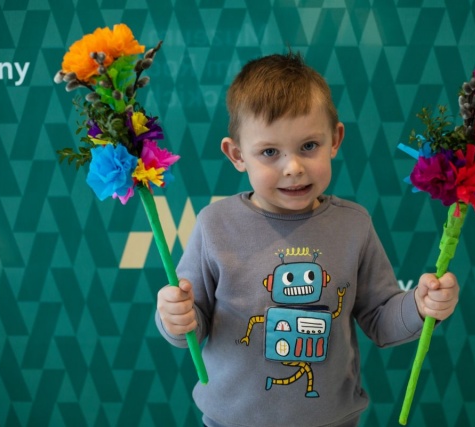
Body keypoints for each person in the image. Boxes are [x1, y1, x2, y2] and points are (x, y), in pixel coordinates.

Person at [155, 51, 459, 427]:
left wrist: (420, 306)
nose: (294, 167)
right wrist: (174, 317)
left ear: (335, 139)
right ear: (237, 154)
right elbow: (191, 322)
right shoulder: (214, 225)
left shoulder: (353, 225)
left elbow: (381, 319)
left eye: (309, 146)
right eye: (270, 152)